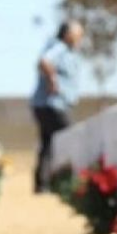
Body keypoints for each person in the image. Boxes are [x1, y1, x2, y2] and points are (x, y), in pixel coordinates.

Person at [31, 21, 83, 192]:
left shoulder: (68, 52)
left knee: (48, 142)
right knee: (73, 137)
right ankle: (72, 182)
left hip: (46, 105)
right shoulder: (59, 47)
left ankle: (42, 184)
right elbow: (44, 61)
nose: (80, 39)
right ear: (68, 35)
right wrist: (52, 80)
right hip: (52, 105)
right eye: (78, 34)